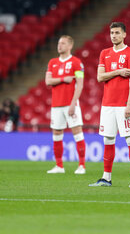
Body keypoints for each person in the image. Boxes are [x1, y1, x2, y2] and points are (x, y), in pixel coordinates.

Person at [89, 22, 130, 188]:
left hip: (123, 104)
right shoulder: (105, 53)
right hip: (107, 104)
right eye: (112, 33)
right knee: (108, 139)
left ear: (124, 34)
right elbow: (99, 77)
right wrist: (118, 72)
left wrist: (129, 104)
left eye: (117, 33)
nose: (114, 36)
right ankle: (106, 178)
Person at [45, 35, 86, 174]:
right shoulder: (52, 62)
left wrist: (73, 103)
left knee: (77, 132)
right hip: (56, 105)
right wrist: (64, 79)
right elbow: (48, 81)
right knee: (56, 133)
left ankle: (81, 165)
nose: (59, 46)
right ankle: (59, 166)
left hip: (70, 104)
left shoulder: (76, 62)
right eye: (58, 43)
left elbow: (80, 85)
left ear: (70, 46)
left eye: (62, 43)